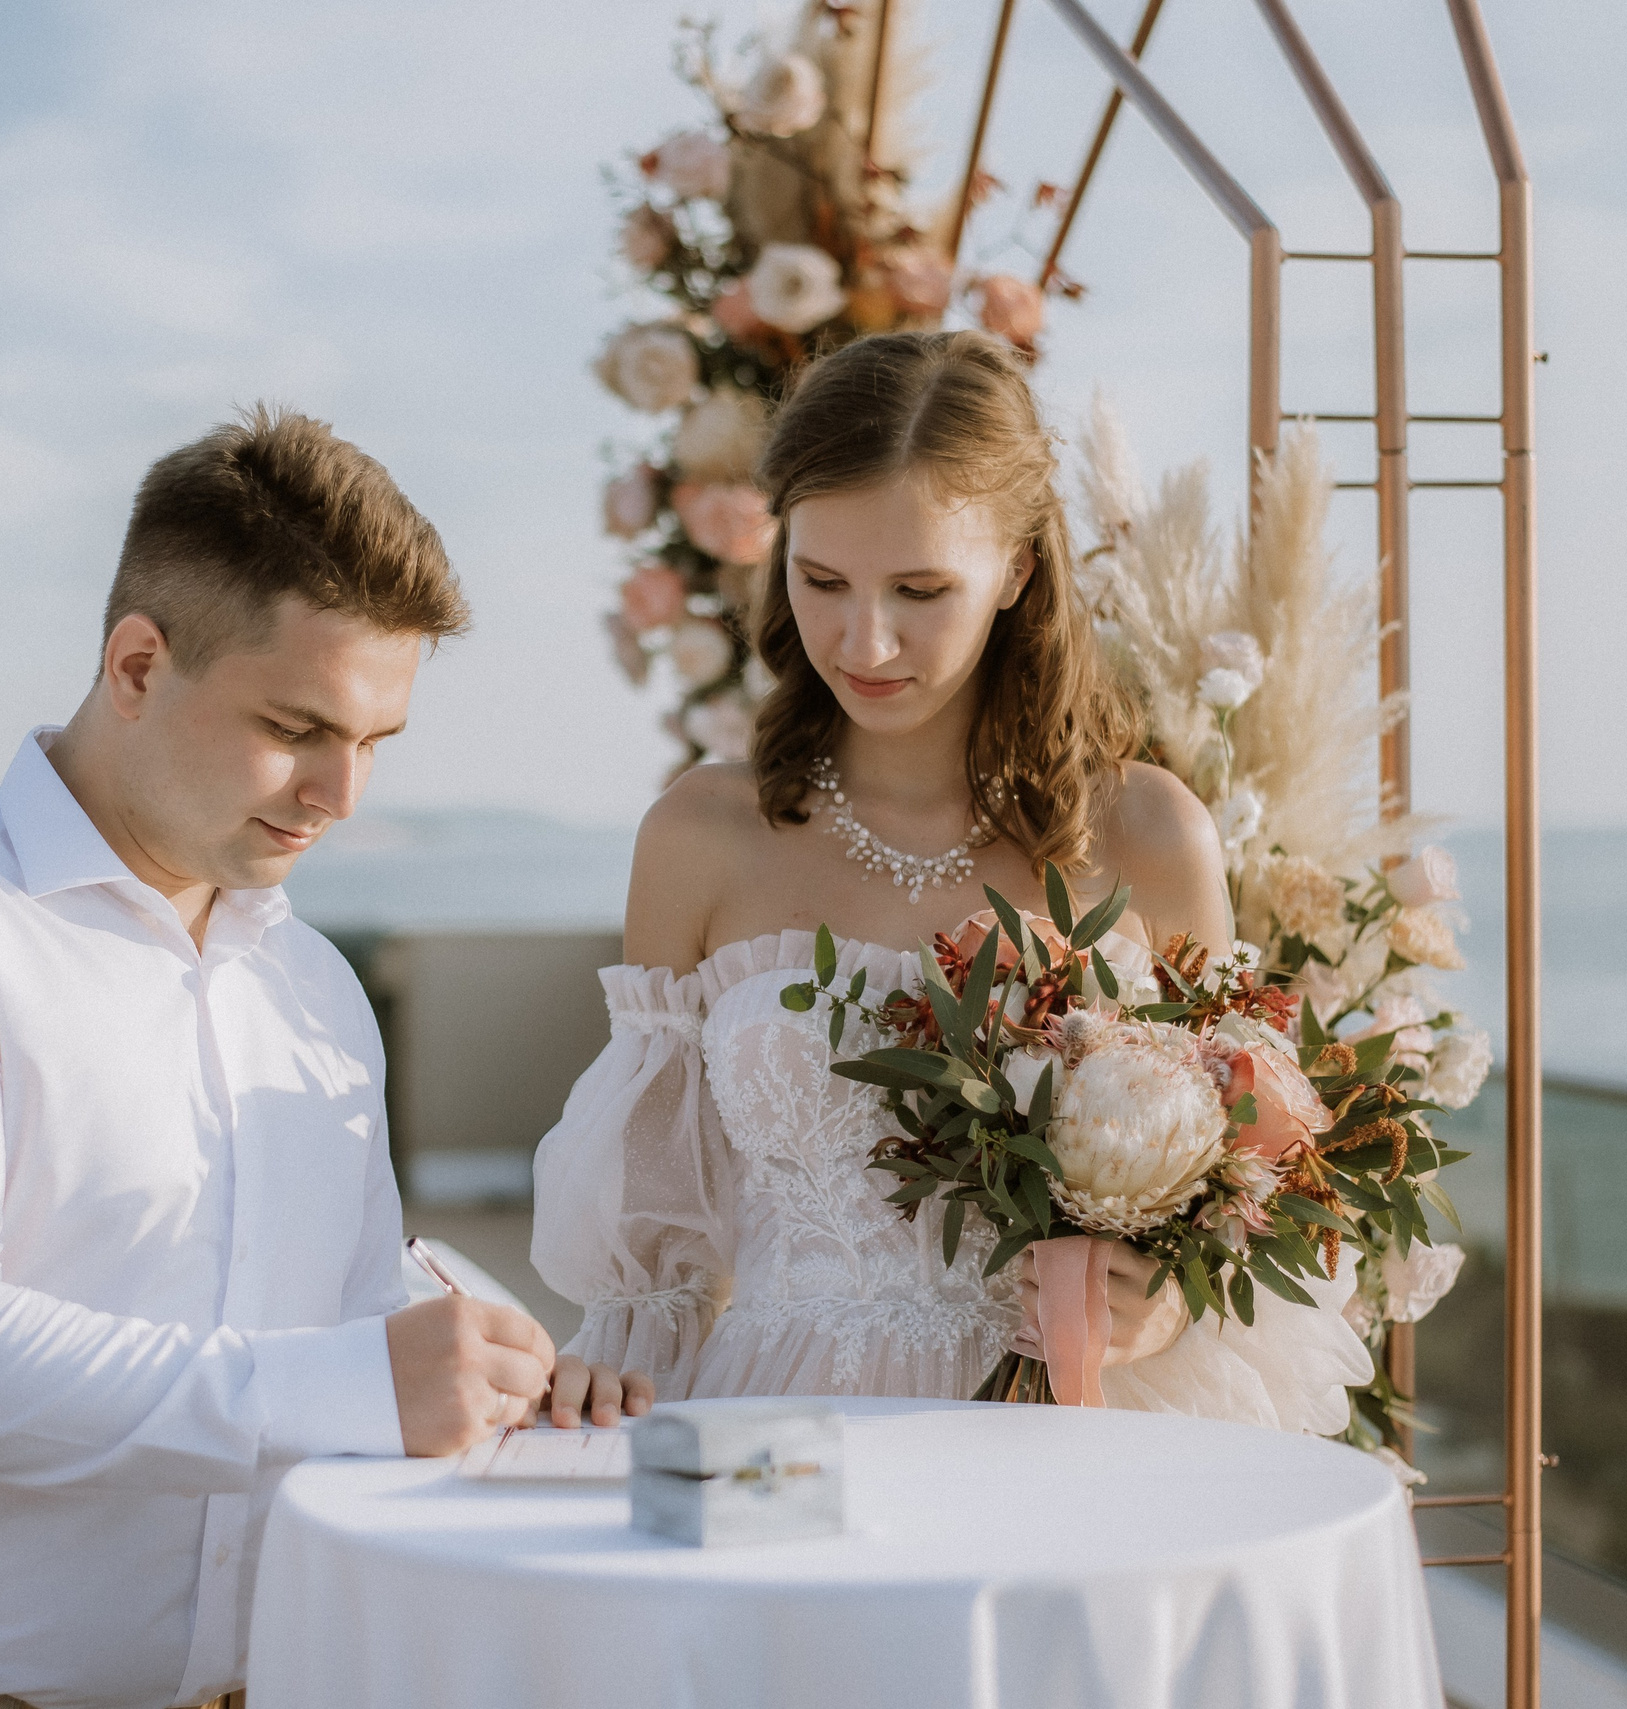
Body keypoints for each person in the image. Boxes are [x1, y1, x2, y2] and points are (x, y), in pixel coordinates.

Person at [0, 408, 614, 1709]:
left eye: (375, 742)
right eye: (296, 725)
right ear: (136, 665)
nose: (341, 794)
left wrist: (504, 1370)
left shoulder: (313, 984)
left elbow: (349, 1310)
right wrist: (361, 1381)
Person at [533, 331, 1372, 1427]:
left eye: (920, 589)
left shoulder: (1150, 833)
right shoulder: (700, 834)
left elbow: (1254, 1192)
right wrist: (602, 1381)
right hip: (781, 1428)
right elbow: (654, 1263)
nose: (864, 640)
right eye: (821, 580)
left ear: (1017, 570)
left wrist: (1167, 1302)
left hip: (1066, 1434)